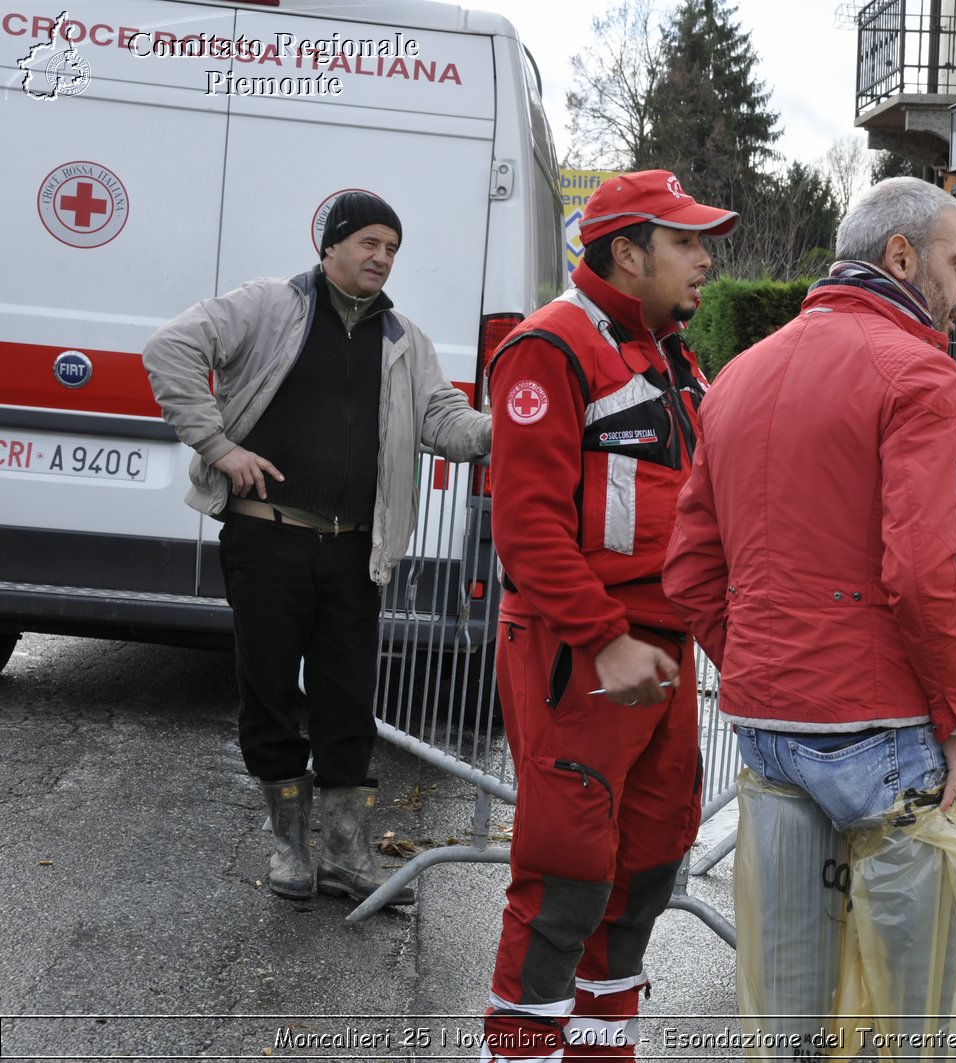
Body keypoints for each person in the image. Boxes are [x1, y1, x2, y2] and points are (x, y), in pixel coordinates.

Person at [663, 176, 956, 1054]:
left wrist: (756, 656)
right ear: (901, 257)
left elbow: (689, 570)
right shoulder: (919, 373)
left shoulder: (740, 375)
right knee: (923, 1017)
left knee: (792, 1009)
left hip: (769, 727)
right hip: (885, 730)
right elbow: (922, 572)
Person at [143, 191, 490, 905]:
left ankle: (346, 853)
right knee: (268, 693)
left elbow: (447, 424)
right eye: (368, 242)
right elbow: (169, 349)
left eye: (391, 248)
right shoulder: (271, 305)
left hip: (356, 551)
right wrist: (218, 446)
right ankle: (289, 847)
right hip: (268, 537)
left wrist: (507, 425)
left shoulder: (405, 341)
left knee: (347, 701)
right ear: (330, 245)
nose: (381, 257)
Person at [480, 170, 737, 1061]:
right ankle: (520, 1050)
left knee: (648, 866)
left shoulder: (673, 352)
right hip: (581, 652)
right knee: (566, 875)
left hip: (660, 656)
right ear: (627, 252)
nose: (706, 260)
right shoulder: (546, 347)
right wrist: (604, 639)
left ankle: (599, 1048)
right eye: (686, 242)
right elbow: (525, 527)